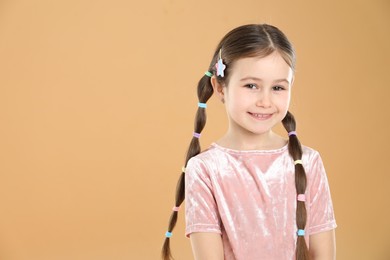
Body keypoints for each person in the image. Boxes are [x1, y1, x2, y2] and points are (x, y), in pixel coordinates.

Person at [162, 24, 337, 260]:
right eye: (251, 85)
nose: (265, 101)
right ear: (220, 87)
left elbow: (323, 254)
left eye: (277, 87)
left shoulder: (308, 162)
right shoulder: (205, 170)